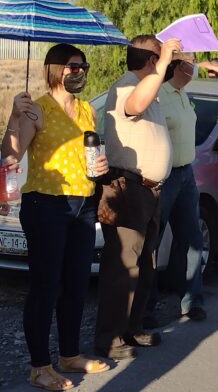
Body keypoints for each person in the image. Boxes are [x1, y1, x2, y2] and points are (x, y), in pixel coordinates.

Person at [1, 44, 110, 390]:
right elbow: (11, 154)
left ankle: (69, 355)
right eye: (72, 66)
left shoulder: (87, 110)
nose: (79, 72)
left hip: (82, 203)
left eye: (83, 66)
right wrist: (14, 119)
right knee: (46, 288)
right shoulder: (36, 109)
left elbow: (90, 153)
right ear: (54, 70)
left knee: (76, 284)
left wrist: (100, 167)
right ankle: (39, 367)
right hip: (46, 204)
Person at [95, 35, 179, 360]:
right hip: (128, 188)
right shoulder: (128, 87)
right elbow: (136, 106)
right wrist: (163, 62)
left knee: (146, 263)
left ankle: (133, 327)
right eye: (160, 58)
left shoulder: (151, 89)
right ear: (149, 60)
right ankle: (111, 339)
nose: (167, 64)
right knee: (123, 266)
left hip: (150, 190)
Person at [145, 52, 206, 325]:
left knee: (192, 238)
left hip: (186, 174)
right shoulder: (158, 94)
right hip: (164, 176)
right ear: (180, 65)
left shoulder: (183, 94)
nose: (194, 66)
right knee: (153, 243)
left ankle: (192, 301)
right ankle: (146, 308)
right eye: (191, 61)